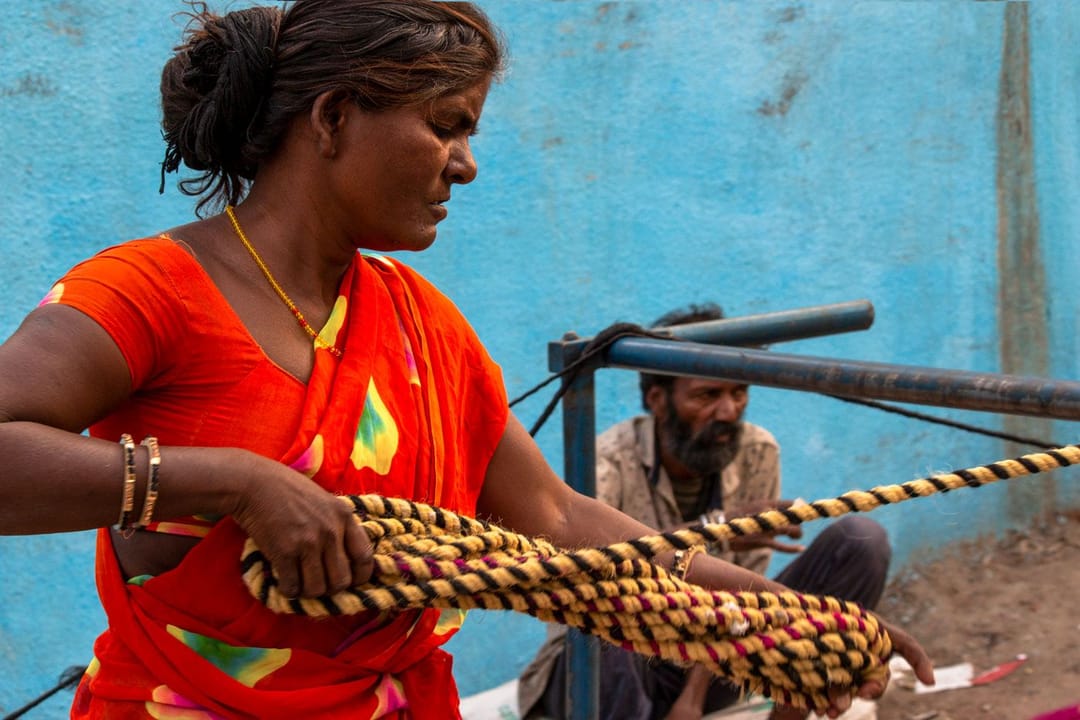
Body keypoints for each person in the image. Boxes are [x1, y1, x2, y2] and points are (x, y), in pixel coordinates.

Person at [0, 3, 932, 718]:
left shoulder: (418, 322)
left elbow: (558, 518)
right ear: (331, 119)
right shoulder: (150, 291)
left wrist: (792, 625)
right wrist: (237, 483)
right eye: (447, 124)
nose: (466, 163)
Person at [518, 303, 895, 720]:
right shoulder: (605, 460)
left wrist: (693, 698)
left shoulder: (755, 451)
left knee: (861, 541)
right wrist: (713, 529)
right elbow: (593, 581)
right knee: (609, 631)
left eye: (739, 392)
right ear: (657, 399)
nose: (728, 411)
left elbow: (743, 601)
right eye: (707, 395)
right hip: (604, 663)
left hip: (711, 652)